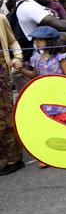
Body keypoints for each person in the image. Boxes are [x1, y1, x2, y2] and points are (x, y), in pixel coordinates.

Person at [16, 26, 66, 165]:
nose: (37, 43)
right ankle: (53, 154)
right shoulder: (37, 59)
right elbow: (34, 75)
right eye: (36, 40)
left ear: (50, 41)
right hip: (46, 98)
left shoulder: (60, 58)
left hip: (61, 97)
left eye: (41, 40)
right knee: (50, 126)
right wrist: (21, 69)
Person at [0, 14, 25, 176]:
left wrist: (17, 57)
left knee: (4, 116)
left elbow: (12, 41)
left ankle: (13, 159)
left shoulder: (1, 18)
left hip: (1, 72)